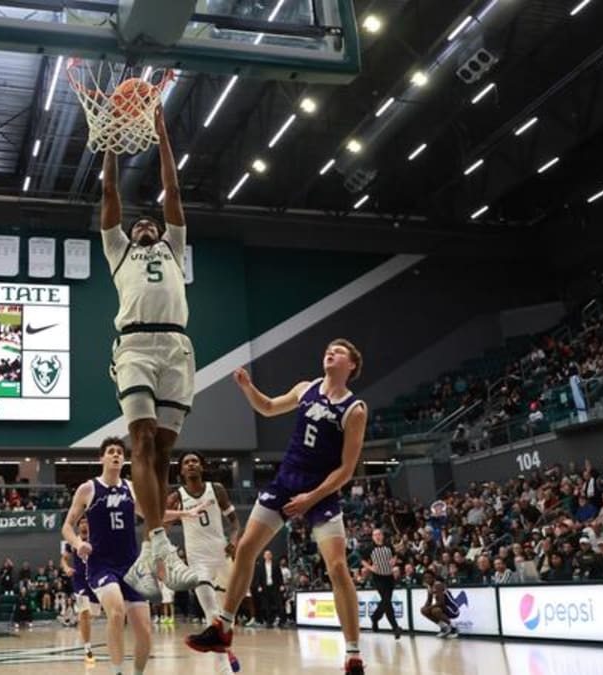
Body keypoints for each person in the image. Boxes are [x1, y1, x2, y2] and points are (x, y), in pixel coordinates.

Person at [188, 340, 368, 675]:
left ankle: (353, 654)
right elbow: (269, 407)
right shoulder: (306, 388)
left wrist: (311, 498)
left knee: (338, 568)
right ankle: (223, 628)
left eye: (339, 351)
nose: (330, 352)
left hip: (322, 492)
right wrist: (247, 388)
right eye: (327, 348)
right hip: (285, 483)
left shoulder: (354, 409)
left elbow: (345, 470)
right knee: (244, 549)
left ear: (352, 365)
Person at [100, 105, 200, 596]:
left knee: (162, 450)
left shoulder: (173, 246)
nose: (143, 225)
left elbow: (174, 192)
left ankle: (152, 551)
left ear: (160, 232)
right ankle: (158, 540)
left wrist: (162, 133)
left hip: (177, 346)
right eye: (137, 224)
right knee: (139, 437)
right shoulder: (119, 251)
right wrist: (114, 143)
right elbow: (110, 194)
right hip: (136, 345)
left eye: (149, 223)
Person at [61, 437, 153, 675]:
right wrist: (78, 542)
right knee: (116, 611)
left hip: (131, 565)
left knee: (145, 630)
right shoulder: (88, 488)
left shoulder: (131, 488)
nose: (116, 455)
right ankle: (117, 671)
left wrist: (184, 513)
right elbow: (67, 527)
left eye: (120, 452)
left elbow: (153, 515)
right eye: (111, 451)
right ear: (101, 458)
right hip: (101, 565)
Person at [164, 450, 241, 670]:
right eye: (186, 462)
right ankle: (225, 668)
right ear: (181, 470)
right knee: (211, 613)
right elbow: (162, 525)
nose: (190, 464)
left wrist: (234, 540)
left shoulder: (216, 490)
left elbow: (235, 523)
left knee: (226, 617)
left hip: (222, 556)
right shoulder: (176, 497)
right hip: (198, 562)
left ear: (202, 467)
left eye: (194, 461)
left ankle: (227, 650)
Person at [61, 517, 99, 666]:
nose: (84, 525)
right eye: (82, 523)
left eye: (87, 523)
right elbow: (63, 559)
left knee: (93, 614)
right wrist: (66, 568)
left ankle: (85, 629)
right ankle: (87, 648)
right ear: (78, 527)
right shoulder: (73, 542)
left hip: (96, 578)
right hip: (80, 580)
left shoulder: (96, 539)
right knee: (84, 612)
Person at [363, 528, 401, 638]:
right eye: (375, 535)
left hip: (389, 577)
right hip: (378, 577)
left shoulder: (389, 546)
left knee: (387, 602)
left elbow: (395, 555)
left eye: (379, 534)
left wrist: (394, 559)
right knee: (386, 601)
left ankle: (374, 618)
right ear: (372, 537)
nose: (377, 536)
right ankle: (395, 627)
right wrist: (370, 567)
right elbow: (362, 560)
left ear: (382, 536)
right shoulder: (369, 548)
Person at [420, 572, 460, 638]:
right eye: (425, 578)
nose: (427, 579)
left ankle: (454, 628)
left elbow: (441, 602)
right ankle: (444, 628)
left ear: (434, 578)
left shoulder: (438, 585)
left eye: (429, 577)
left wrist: (429, 608)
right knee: (423, 610)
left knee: (435, 610)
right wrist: (425, 608)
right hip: (444, 607)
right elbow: (429, 600)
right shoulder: (429, 586)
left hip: (452, 609)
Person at [252, 550, 284, 627]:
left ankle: (282, 620)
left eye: (269, 554)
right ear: (264, 556)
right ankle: (269, 621)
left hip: (275, 586)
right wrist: (259, 585)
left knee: (279, 603)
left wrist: (281, 585)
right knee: (267, 605)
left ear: (271, 556)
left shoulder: (275, 564)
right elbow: (259, 576)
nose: (267, 556)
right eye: (266, 554)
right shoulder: (261, 566)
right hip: (265, 587)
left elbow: (280, 575)